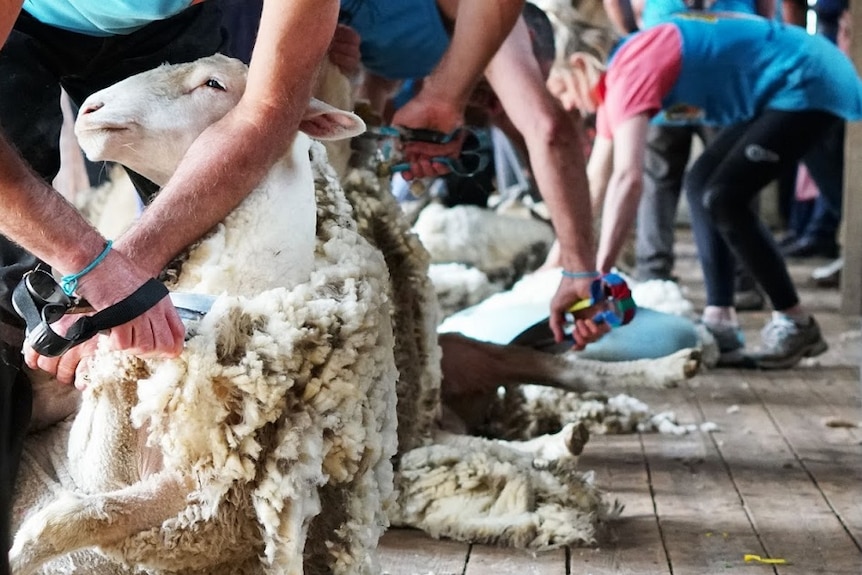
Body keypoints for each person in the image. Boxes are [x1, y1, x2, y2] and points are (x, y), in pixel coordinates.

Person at [573, 14, 862, 368]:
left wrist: (600, 275)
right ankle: (720, 320)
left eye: (557, 89)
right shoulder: (616, 78)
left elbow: (628, 178)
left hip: (807, 77)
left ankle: (796, 320)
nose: (568, 106)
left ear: (576, 64)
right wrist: (568, 263)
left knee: (725, 196)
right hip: (776, 89)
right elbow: (596, 180)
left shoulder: (630, 68)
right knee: (700, 184)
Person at [335, 0, 607, 346]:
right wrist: (580, 270)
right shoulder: (496, 26)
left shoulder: (400, 57)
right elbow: (547, 131)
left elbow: (365, 133)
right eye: (505, 84)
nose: (497, 105)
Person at [602, 0, 774, 315]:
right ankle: (738, 279)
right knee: (730, 178)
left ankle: (655, 272)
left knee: (668, 176)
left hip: (678, 49)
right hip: (719, 53)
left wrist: (634, 31)